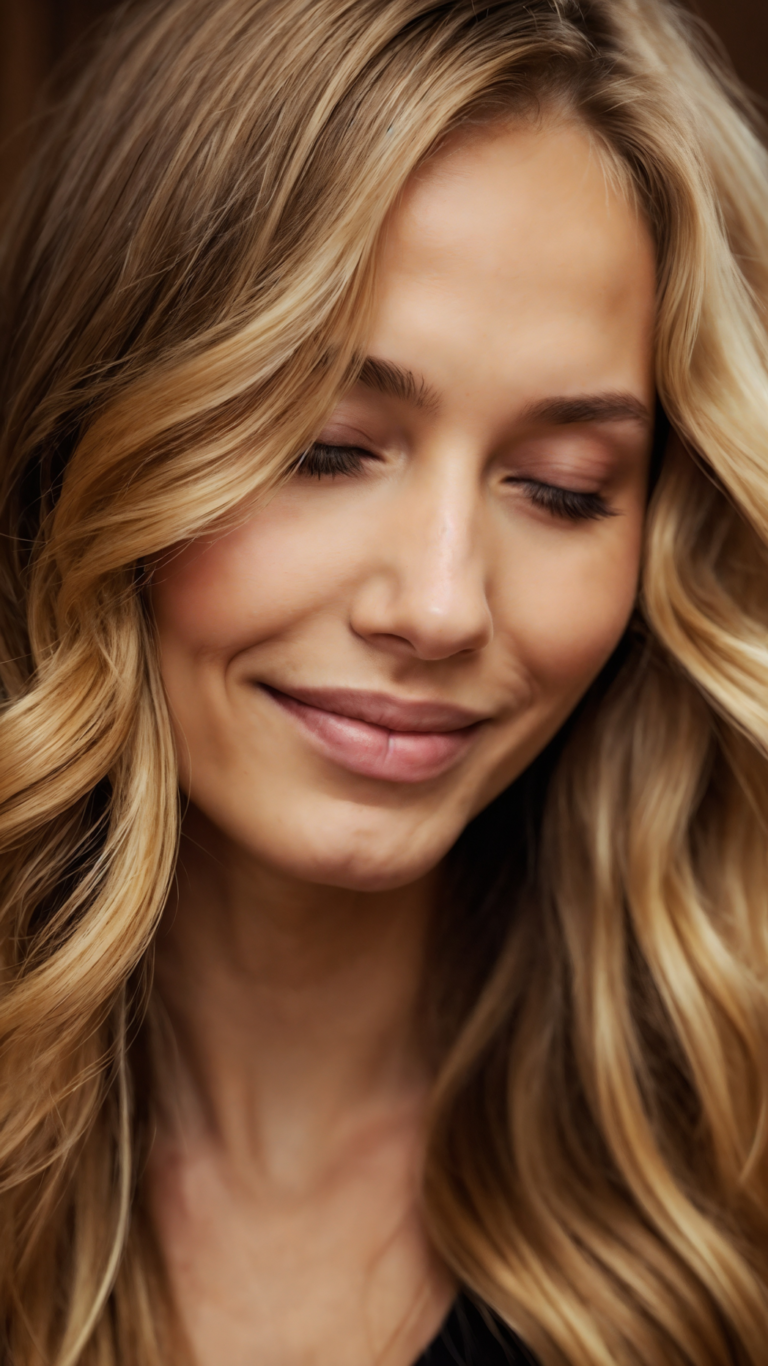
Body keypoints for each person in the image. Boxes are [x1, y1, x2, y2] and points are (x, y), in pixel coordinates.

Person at [1, 0, 768, 1362]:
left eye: (562, 488)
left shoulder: (729, 1170)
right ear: (99, 433)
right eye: (327, 446)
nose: (438, 603)